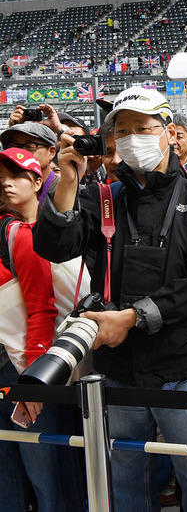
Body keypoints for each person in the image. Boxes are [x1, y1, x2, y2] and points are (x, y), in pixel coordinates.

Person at [32, 87, 187, 511]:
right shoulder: (100, 197)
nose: (132, 138)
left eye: (143, 128)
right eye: (122, 131)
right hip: (118, 369)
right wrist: (66, 182)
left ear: (170, 133)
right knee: (124, 479)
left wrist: (133, 318)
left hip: (184, 367)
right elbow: (51, 247)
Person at [0, 148, 66, 512]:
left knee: (42, 469)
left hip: (19, 366)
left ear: (38, 180)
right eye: (0, 179)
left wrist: (33, 377)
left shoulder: (23, 235)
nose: (6, 184)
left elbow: (42, 308)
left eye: (16, 175)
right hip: (15, 365)